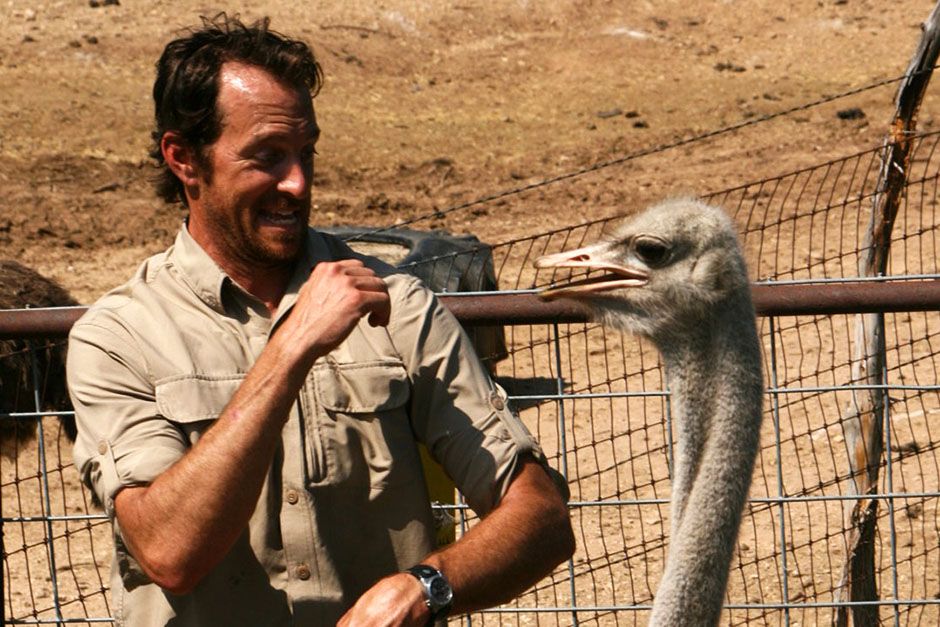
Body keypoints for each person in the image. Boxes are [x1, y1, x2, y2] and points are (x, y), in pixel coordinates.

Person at [66, 13, 574, 627]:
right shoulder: (119, 336)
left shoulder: (397, 307)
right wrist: (292, 348)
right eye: (268, 157)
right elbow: (170, 552)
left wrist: (428, 586)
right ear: (184, 159)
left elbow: (541, 515)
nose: (298, 183)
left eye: (306, 152)